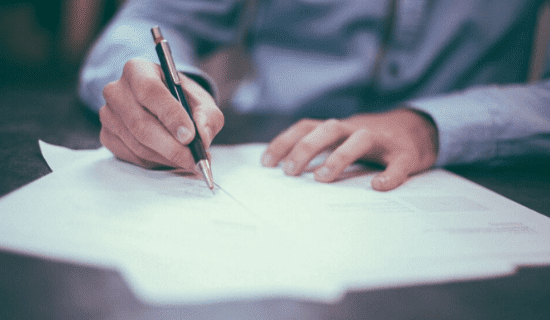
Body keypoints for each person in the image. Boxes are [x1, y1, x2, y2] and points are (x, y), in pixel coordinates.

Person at [79, 0, 550, 191]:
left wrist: (430, 124)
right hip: (265, 153)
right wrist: (172, 88)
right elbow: (153, 18)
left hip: (471, 172)